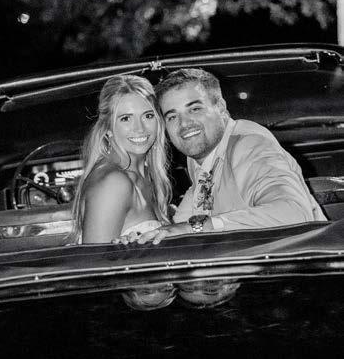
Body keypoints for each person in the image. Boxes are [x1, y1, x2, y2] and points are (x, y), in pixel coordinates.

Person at [119, 67, 326, 244]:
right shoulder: (200, 157)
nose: (184, 124)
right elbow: (186, 221)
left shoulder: (250, 146)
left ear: (221, 108)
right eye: (172, 116)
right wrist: (143, 236)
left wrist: (197, 227)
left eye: (195, 109)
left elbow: (295, 213)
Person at [71, 74, 171, 243]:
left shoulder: (146, 175)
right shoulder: (114, 182)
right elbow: (96, 258)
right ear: (108, 128)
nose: (139, 128)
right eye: (126, 119)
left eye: (148, 116)